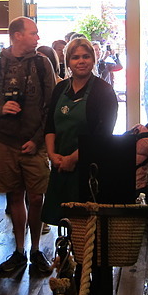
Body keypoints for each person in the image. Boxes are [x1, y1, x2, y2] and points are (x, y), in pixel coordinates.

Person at [0, 17, 56, 274]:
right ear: (17, 36)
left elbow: (50, 107)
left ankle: (36, 250)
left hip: (34, 144)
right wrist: (1, 109)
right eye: (33, 33)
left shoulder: (43, 64)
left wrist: (37, 141)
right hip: (4, 144)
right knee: (14, 197)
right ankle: (20, 251)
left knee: (36, 197)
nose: (37, 37)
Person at [41, 38, 118, 225]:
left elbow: (102, 136)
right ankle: (66, 254)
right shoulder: (60, 88)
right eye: (75, 57)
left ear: (93, 59)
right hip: (60, 166)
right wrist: (52, 155)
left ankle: (81, 256)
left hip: (90, 169)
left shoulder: (104, 92)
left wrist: (72, 159)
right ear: (68, 62)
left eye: (86, 56)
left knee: (85, 226)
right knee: (62, 221)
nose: (81, 61)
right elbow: (50, 125)